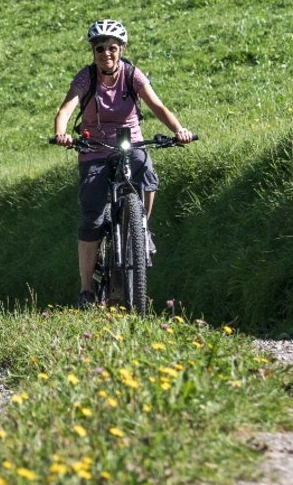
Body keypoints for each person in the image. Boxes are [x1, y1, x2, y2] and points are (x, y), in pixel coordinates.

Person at [51, 20, 193, 308]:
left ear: (121, 49)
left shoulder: (132, 74)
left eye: (112, 48)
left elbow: (157, 106)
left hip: (131, 141)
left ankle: (141, 228)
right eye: (100, 48)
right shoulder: (86, 78)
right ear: (93, 51)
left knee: (146, 172)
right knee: (92, 217)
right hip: (94, 147)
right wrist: (62, 134)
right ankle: (87, 289)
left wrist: (179, 130)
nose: (106, 54)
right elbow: (66, 109)